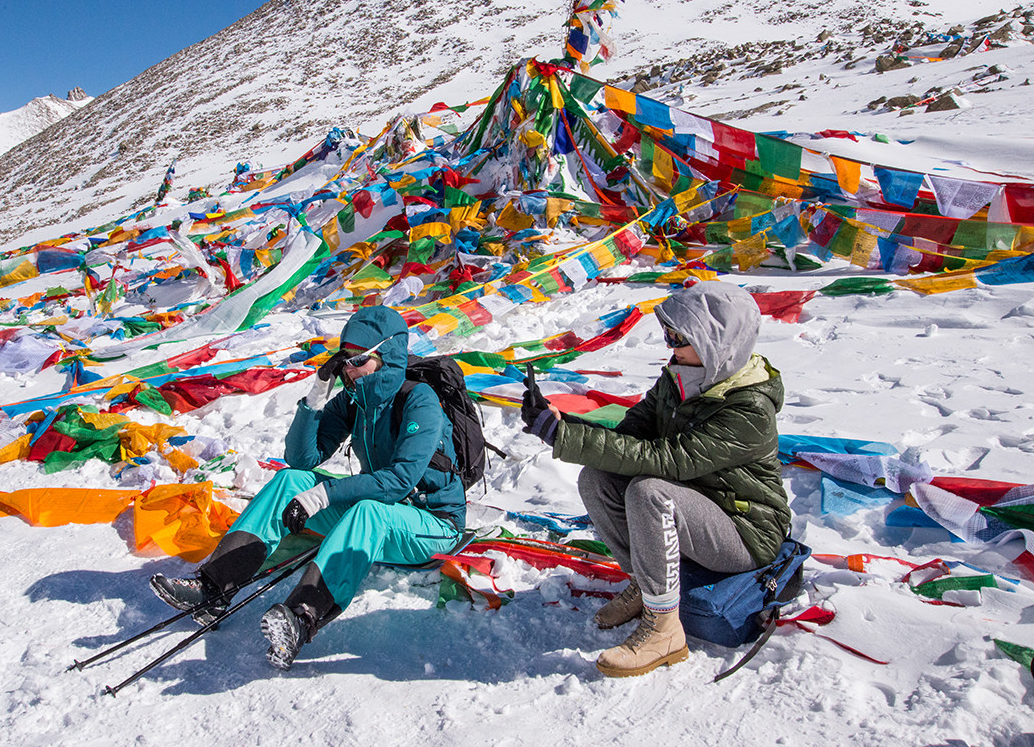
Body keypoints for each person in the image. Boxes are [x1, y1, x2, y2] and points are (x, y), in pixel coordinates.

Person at [151, 305, 465, 669]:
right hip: (382, 513)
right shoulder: (356, 400)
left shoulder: (419, 400)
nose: (348, 369)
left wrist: (323, 496)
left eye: (358, 360)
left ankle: (302, 618)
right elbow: (302, 460)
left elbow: (398, 482)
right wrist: (316, 396)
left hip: (434, 524)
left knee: (369, 511)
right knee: (289, 480)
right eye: (343, 360)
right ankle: (214, 587)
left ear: (387, 355)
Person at [521, 281, 789, 677]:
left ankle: (664, 630)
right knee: (598, 478)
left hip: (746, 529)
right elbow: (630, 439)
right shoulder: (679, 379)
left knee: (650, 491)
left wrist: (566, 439)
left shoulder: (748, 409)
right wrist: (562, 424)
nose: (670, 345)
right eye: (668, 334)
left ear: (716, 342)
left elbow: (668, 461)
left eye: (679, 336)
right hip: (696, 503)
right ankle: (648, 589)